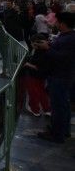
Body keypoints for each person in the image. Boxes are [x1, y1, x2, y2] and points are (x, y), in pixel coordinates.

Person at [35, 11, 75, 143]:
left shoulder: (69, 39)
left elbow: (62, 58)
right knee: (63, 105)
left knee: (58, 106)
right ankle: (63, 130)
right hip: (59, 76)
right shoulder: (66, 36)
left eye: (57, 22)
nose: (55, 24)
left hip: (60, 77)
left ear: (63, 24)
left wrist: (47, 48)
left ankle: (57, 134)